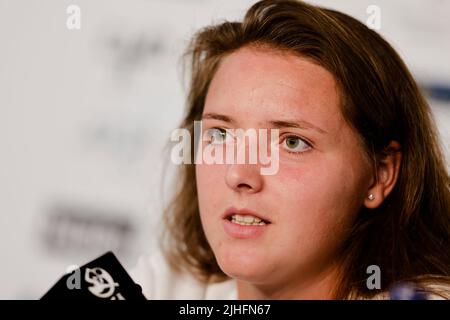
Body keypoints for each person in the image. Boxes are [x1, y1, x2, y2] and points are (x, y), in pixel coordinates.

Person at [130, 0, 450, 299]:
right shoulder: (166, 283)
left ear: (380, 174)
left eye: (292, 142)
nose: (239, 174)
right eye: (222, 134)